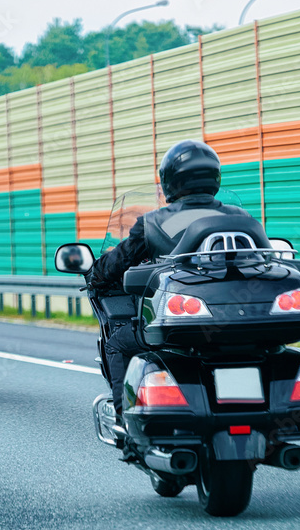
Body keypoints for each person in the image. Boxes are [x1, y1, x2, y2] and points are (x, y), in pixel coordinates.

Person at [88, 140, 252, 418]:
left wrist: (96, 274)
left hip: (182, 321)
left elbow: (120, 261)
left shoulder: (155, 222)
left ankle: (124, 418)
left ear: (169, 182)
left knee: (117, 343)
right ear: (214, 177)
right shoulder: (241, 217)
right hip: (238, 322)